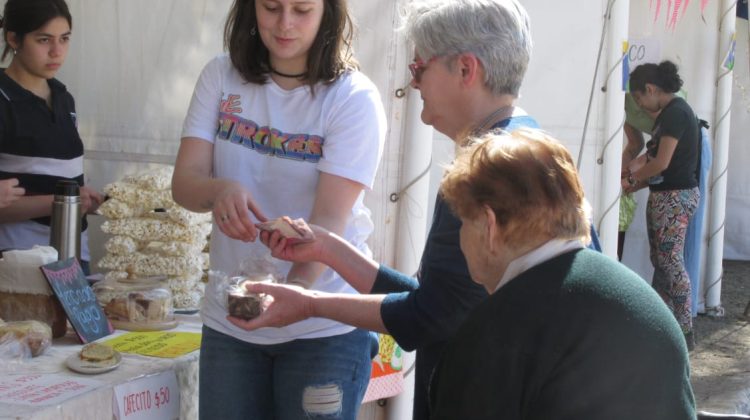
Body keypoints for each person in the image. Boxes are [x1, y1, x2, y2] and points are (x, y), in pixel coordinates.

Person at [230, 1, 583, 418]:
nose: (414, 83)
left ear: (466, 70)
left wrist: (309, 303)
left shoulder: (491, 171)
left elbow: (426, 318)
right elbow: (438, 300)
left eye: (419, 69)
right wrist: (327, 249)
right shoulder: (519, 148)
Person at [239, 129, 697, 419]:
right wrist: (328, 250)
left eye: (462, 225)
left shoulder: (498, 333)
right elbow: (436, 306)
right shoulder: (635, 295)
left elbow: (435, 316)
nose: (459, 244)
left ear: (490, 226)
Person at [171, 0, 386, 418]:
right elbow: (184, 184)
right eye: (271, 7)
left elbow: (329, 226)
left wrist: (296, 296)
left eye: (302, 9)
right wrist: (219, 191)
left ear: (329, 13)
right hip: (232, 320)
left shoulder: (352, 97)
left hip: (324, 328)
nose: (285, 24)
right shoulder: (220, 76)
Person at [0, 0, 103, 273]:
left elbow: (57, 177)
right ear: (13, 39)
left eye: (64, 39)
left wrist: (84, 199)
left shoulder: (63, 98)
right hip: (18, 263)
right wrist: (66, 202)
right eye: (43, 40)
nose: (57, 51)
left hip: (73, 260)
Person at [622, 60, 701, 349]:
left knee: (670, 263)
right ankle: (663, 322)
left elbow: (661, 163)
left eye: (640, 98)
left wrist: (631, 178)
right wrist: (636, 181)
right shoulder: (670, 114)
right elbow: (658, 163)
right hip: (668, 194)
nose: (639, 106)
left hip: (674, 197)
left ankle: (683, 329)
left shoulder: (676, 114)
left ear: (651, 89)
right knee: (662, 262)